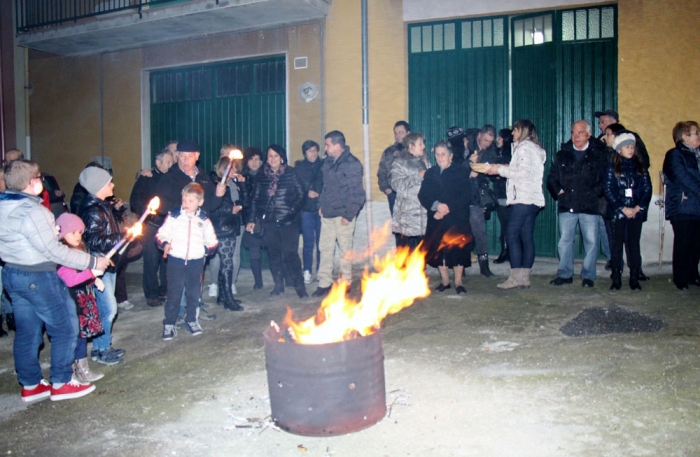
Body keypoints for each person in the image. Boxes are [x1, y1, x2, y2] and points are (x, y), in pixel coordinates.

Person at [0, 159, 109, 402]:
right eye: (38, 178)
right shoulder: (34, 211)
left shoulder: (3, 206)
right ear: (31, 182)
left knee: (27, 331)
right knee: (66, 326)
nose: (41, 182)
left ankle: (30, 384)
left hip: (13, 273)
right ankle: (61, 382)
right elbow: (54, 251)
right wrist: (92, 262)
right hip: (38, 275)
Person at [480, 120, 546, 289]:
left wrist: (499, 170)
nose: (513, 133)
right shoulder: (534, 148)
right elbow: (523, 169)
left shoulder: (524, 147)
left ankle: (515, 278)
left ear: (522, 131)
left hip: (523, 198)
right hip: (532, 199)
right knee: (526, 236)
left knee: (511, 235)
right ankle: (524, 277)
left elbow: (521, 173)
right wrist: (502, 166)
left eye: (515, 130)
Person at [547, 120, 608, 288]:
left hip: (589, 206)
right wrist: (559, 192)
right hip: (567, 206)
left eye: (580, 133)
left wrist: (594, 194)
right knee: (565, 241)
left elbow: (605, 180)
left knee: (591, 242)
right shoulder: (562, 154)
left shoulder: (598, 155)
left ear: (589, 134)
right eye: (573, 132)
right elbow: (552, 178)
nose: (576, 136)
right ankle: (565, 274)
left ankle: (588, 276)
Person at [78, 166, 128, 364]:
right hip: (100, 265)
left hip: (108, 263)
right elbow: (94, 241)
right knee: (108, 309)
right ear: (99, 186)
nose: (113, 185)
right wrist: (122, 236)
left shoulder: (103, 206)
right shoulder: (92, 210)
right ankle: (102, 349)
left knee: (106, 308)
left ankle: (101, 347)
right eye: (109, 182)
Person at [157, 183, 219, 339]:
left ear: (200, 202)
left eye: (191, 200)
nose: (186, 204)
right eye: (184, 200)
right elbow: (161, 234)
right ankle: (169, 323)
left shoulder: (204, 220)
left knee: (194, 294)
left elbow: (212, 241)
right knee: (174, 294)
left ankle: (191, 320)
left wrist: (205, 250)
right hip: (176, 261)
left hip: (196, 263)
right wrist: (165, 244)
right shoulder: (174, 216)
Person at [246, 145, 306, 298]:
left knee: (291, 254)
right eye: (270, 156)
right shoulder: (261, 176)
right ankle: (278, 285)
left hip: (288, 222)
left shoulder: (291, 173)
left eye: (276, 156)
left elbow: (301, 195)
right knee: (273, 254)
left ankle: (300, 287)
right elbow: (255, 199)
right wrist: (252, 219)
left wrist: (290, 213)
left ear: (282, 158)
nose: (272, 159)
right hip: (269, 221)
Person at [312, 131, 366, 298]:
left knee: (345, 251)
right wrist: (321, 205)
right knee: (325, 248)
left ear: (337, 145)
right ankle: (324, 283)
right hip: (328, 213)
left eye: (327, 144)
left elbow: (357, 193)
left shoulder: (352, 164)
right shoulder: (327, 163)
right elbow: (324, 187)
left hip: (343, 215)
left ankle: (346, 283)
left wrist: (349, 215)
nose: (325, 148)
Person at [55, 213, 108, 380]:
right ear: (62, 235)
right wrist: (92, 273)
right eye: (73, 233)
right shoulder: (63, 256)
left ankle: (83, 368)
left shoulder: (79, 252)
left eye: (79, 232)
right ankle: (71, 371)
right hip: (71, 303)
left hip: (84, 301)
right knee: (75, 338)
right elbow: (71, 280)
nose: (78, 236)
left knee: (82, 337)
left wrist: (94, 280)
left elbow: (83, 276)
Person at [418, 141, 473, 294]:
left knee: (457, 250)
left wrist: (446, 208)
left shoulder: (461, 172)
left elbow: (466, 196)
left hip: (456, 218)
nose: (440, 157)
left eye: (443, 154)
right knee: (439, 251)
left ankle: (458, 282)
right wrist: (436, 206)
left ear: (451, 156)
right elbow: (423, 194)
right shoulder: (431, 173)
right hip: (436, 217)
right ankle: (445, 281)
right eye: (437, 154)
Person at [603, 123, 651, 281]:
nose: (630, 149)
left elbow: (647, 190)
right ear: (619, 149)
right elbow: (609, 190)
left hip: (635, 213)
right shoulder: (612, 168)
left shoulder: (640, 168)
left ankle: (635, 276)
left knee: (634, 246)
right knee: (617, 247)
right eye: (626, 147)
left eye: (632, 146)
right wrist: (622, 208)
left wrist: (638, 207)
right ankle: (616, 276)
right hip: (618, 214)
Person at [129, 149, 174, 307]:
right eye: (168, 162)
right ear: (158, 162)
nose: (170, 164)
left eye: (171, 162)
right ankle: (152, 294)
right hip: (152, 225)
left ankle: (164, 290)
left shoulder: (171, 177)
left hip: (168, 225)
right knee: (151, 260)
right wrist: (148, 212)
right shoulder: (146, 177)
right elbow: (135, 200)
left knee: (166, 260)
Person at [662, 121, 700, 290]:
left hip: (697, 206)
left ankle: (693, 275)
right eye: (696, 133)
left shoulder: (698, 154)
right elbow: (681, 177)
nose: (699, 136)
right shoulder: (675, 154)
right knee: (683, 243)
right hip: (682, 206)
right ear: (684, 136)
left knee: (696, 244)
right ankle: (681, 278)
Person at [209, 155, 245, 311]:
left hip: (231, 225)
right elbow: (213, 206)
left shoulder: (232, 183)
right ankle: (228, 298)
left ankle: (223, 296)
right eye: (233, 168)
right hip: (222, 227)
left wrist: (242, 186)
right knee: (227, 263)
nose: (235, 170)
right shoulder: (216, 183)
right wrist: (231, 210)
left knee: (227, 261)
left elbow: (245, 200)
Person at [466, 125, 498, 278]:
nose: (487, 144)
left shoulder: (491, 151)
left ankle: (484, 267)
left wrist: (491, 172)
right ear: (479, 135)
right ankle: (461, 266)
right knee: (461, 232)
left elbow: (492, 171)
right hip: (462, 194)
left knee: (480, 231)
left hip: (478, 196)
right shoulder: (465, 144)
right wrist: (468, 168)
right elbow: (454, 167)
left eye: (490, 141)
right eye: (486, 140)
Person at [391, 132, 428, 251]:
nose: (423, 146)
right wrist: (418, 176)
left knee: (420, 253)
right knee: (405, 253)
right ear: (411, 146)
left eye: (423, 143)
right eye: (420, 143)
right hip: (406, 217)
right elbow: (396, 185)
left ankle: (420, 270)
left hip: (422, 215)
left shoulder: (424, 162)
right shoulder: (399, 162)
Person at [295, 140, 324, 284]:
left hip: (321, 209)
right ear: (305, 153)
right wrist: (307, 193)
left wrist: (319, 193)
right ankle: (307, 270)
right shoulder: (300, 169)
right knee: (308, 242)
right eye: (309, 150)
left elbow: (328, 185)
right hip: (306, 209)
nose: (313, 153)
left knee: (321, 242)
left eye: (315, 150)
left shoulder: (324, 166)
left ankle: (321, 270)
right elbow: (296, 188)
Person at [240, 147, 265, 289]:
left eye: (257, 159)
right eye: (251, 159)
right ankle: (258, 281)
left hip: (265, 217)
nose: (254, 162)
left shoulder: (266, 175)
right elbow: (246, 201)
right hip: (250, 217)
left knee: (274, 247)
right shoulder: (243, 177)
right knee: (254, 249)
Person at [377, 121, 410, 215]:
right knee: (398, 226)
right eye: (396, 133)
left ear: (408, 133)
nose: (398, 135)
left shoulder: (415, 151)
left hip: (412, 195)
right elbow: (381, 172)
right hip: (394, 195)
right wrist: (387, 190)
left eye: (401, 132)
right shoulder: (388, 152)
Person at [493, 128, 513, 264]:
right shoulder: (497, 153)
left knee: (510, 226)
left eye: (500, 137)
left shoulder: (512, 155)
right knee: (504, 226)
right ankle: (505, 251)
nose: (497, 140)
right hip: (499, 194)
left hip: (510, 196)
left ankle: (511, 253)